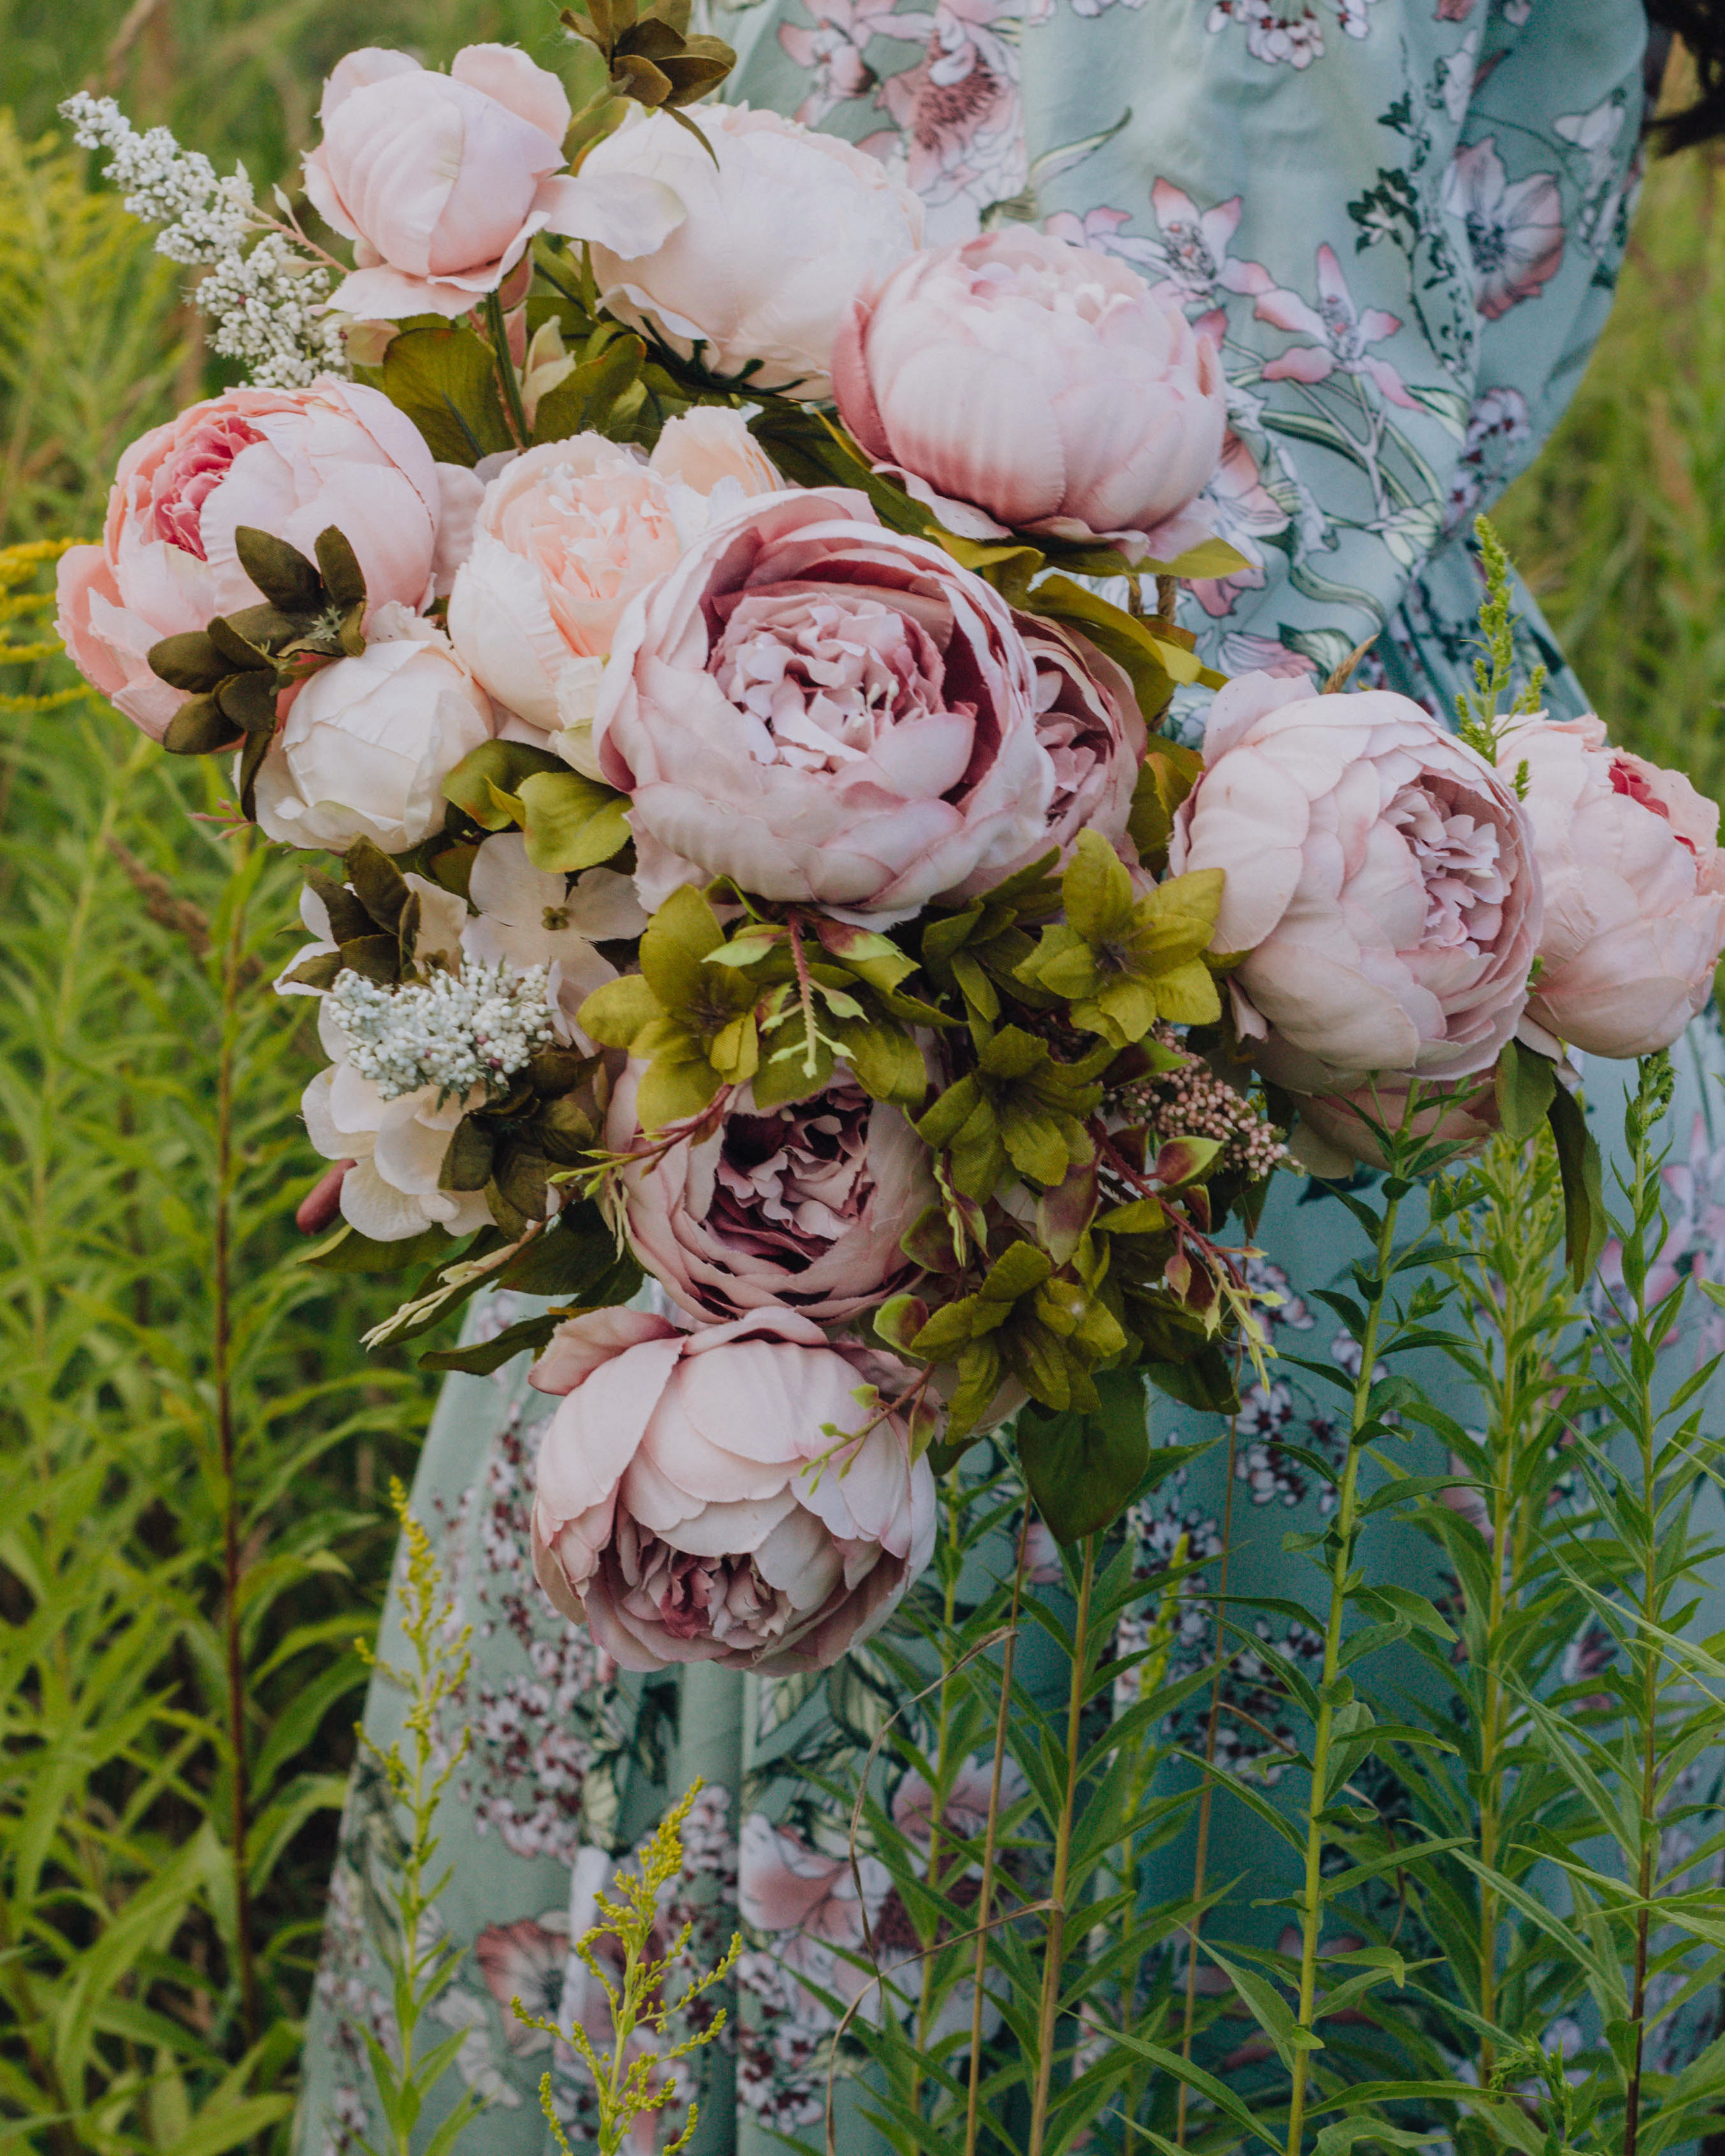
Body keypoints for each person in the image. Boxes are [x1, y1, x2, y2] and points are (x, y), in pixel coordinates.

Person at [295, 7, 1725, 2151]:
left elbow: (1219, 464)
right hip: (1177, 834)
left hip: (1108, 900)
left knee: (1105, 1947)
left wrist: (689, 756)